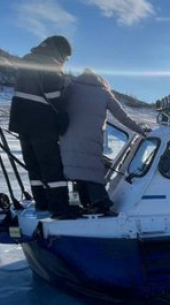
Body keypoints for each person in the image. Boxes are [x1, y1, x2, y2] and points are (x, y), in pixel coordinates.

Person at [60, 69, 147, 216]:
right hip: (91, 140)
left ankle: (77, 206)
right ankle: (101, 205)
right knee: (92, 173)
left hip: (68, 139)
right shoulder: (103, 93)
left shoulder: (70, 88)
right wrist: (141, 130)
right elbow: (122, 116)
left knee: (74, 176)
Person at [8, 35, 73, 218]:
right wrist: (62, 111)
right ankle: (60, 208)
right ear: (60, 51)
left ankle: (42, 203)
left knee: (34, 165)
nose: (64, 61)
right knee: (51, 165)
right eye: (65, 58)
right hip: (41, 122)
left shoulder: (28, 61)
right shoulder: (50, 63)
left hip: (22, 122)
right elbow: (53, 94)